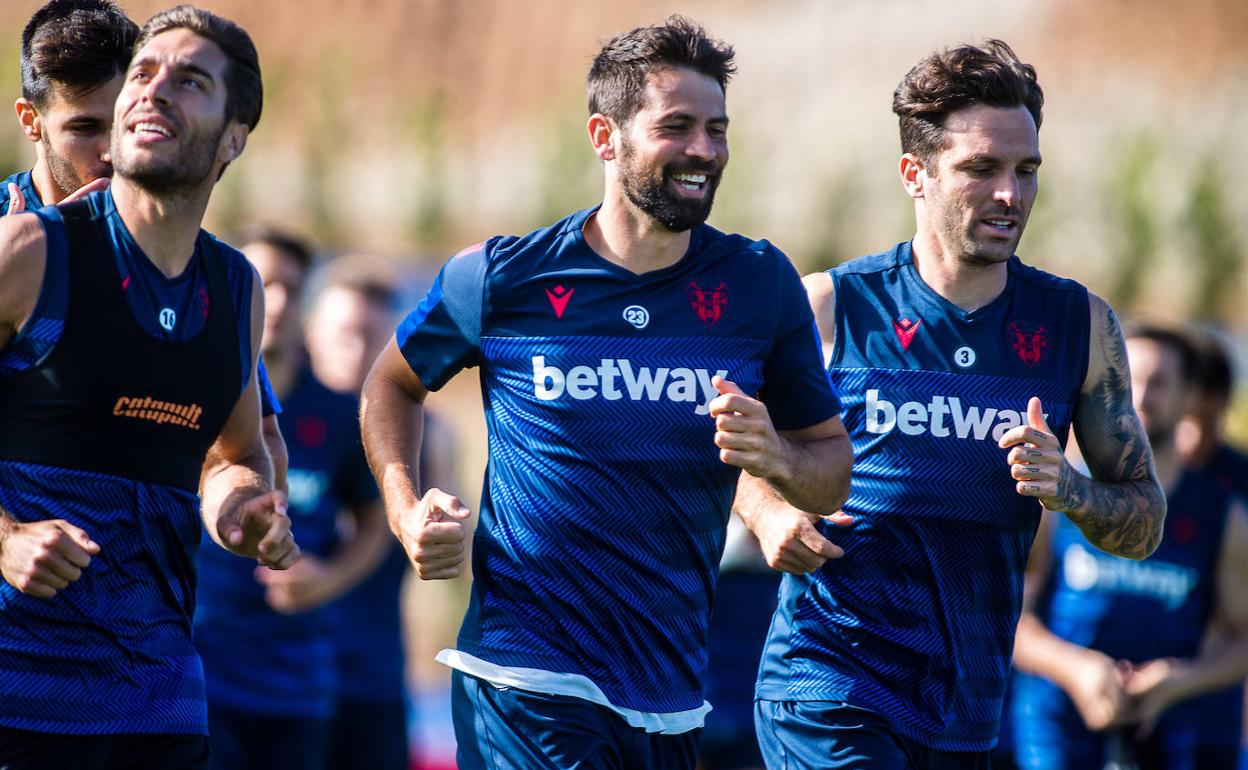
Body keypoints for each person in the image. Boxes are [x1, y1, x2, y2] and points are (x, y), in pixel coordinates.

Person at [360, 15, 853, 769]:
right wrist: (404, 506)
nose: (704, 151)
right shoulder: (503, 277)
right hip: (525, 676)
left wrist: (777, 456)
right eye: (677, 126)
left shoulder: (760, 284)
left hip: (672, 695)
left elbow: (831, 471)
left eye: (717, 129)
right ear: (605, 135)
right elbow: (393, 383)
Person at [744, 40, 1167, 769]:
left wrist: (1067, 488)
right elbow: (741, 448)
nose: (1012, 193)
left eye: (1026, 170)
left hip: (967, 705)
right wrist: (768, 511)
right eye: (982, 169)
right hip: (829, 680)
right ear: (916, 174)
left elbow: (1145, 524)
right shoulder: (830, 308)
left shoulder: (1079, 328)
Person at [0, 6, 298, 769]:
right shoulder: (28, 248)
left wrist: (244, 511)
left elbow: (233, 457)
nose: (151, 93)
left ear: (235, 136)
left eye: (189, 81)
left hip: (159, 698)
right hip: (18, 693)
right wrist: (6, 538)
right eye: (143, 75)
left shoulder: (236, 287)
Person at [2, 0, 288, 490]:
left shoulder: (199, 265)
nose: (111, 150)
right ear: (31, 121)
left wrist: (248, 506)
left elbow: (250, 448)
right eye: (85, 128)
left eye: (116, 123)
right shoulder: (17, 245)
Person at [1009, 324, 1248, 769]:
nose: (1140, 395)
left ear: (1189, 395)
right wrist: (1074, 669)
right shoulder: (1058, 491)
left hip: (1170, 728)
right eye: (1127, 380)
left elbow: (1242, 636)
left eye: (1158, 382)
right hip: (1055, 727)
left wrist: (1178, 680)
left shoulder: (1221, 512)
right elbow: (1009, 618)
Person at [194, 229, 389, 770]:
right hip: (199, 676)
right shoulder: (192, 388)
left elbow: (374, 522)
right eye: (263, 285)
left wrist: (330, 577)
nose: (275, 302)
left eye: (290, 288)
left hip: (299, 683)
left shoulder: (336, 410)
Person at [306, 256, 447, 770]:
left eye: (372, 335)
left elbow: (445, 560)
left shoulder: (423, 438)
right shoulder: (270, 430)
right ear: (311, 330)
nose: (357, 348)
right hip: (274, 678)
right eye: (344, 332)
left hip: (374, 676)